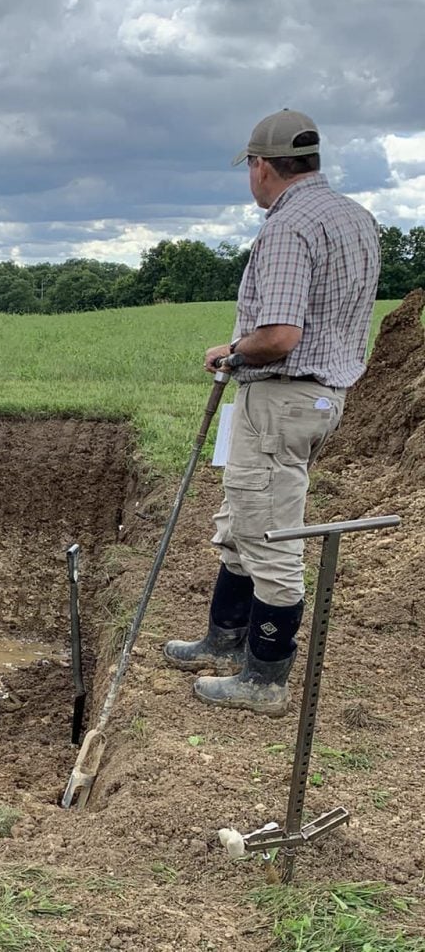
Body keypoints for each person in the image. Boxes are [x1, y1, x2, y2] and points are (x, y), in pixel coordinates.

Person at [163, 109, 380, 717]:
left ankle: (264, 677)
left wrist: (230, 350)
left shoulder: (288, 227)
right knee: (240, 518)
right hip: (311, 397)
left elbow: (281, 334)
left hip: (283, 392)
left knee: (269, 533)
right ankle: (224, 639)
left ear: (262, 166)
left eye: (250, 168)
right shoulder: (354, 216)